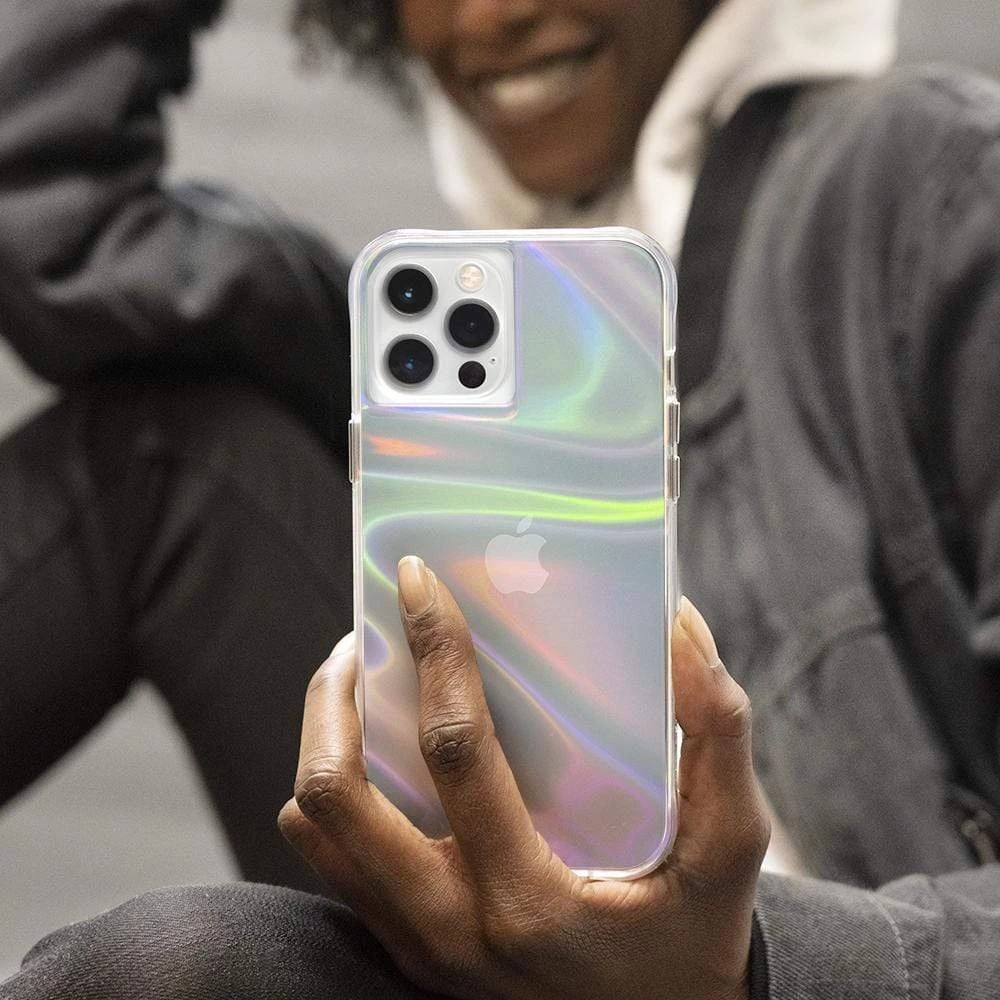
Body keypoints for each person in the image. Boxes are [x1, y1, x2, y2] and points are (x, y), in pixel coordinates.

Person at [2, 0, 999, 996]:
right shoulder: (437, 334)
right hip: (481, 922)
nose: (492, 13)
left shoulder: (928, 185)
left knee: (173, 966)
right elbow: (63, 236)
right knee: (168, 455)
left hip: (777, 974)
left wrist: (736, 964)